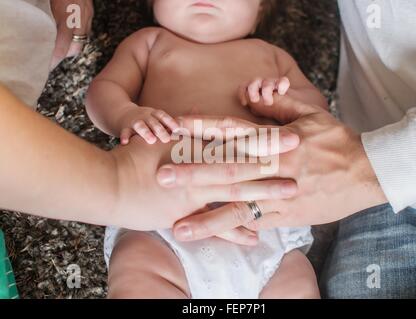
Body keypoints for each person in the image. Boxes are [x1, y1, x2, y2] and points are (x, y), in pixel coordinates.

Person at [166, 0, 416, 298]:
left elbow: (313, 101)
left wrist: (365, 164)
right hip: (375, 198)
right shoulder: (150, 44)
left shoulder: (269, 54)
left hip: (361, 179)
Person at [86, 0, 327, 299]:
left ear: (260, 12)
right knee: (138, 271)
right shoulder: (150, 43)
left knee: (296, 283)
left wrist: (280, 98)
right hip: (161, 222)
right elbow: (103, 89)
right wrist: (125, 114)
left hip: (263, 224)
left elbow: (317, 115)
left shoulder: (272, 56)